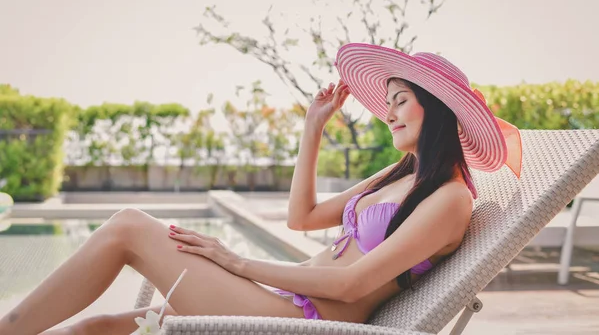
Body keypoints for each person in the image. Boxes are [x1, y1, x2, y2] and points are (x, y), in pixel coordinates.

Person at [0, 43, 521, 335]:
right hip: (280, 300)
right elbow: (303, 218)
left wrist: (235, 261)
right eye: (387, 101)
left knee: (128, 228)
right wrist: (313, 129)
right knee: (99, 330)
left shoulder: (451, 199)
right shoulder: (400, 174)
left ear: (439, 109)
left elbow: (350, 286)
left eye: (400, 99)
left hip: (304, 323)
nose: (386, 113)